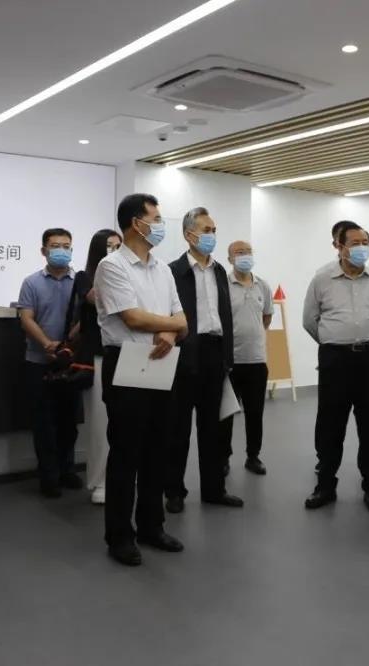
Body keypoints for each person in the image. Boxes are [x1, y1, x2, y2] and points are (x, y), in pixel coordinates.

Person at [95, 193, 187, 566]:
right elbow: (132, 317)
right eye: (156, 218)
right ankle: (120, 535)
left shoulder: (163, 269)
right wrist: (169, 326)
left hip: (163, 361)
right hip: (126, 363)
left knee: (157, 450)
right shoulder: (111, 266)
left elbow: (183, 320)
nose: (161, 225)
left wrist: (170, 333)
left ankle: (152, 526)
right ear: (137, 223)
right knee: (126, 453)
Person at [303, 223, 369, 513]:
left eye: (365, 242)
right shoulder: (322, 280)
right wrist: (334, 342)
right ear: (339, 246)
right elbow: (310, 320)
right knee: (330, 425)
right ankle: (325, 486)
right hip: (335, 361)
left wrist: (365, 339)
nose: (361, 247)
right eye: (354, 243)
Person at [166, 207, 243, 512]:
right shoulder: (172, 271)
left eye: (214, 230)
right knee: (178, 428)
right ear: (189, 235)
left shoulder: (220, 271)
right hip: (183, 353)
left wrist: (228, 358)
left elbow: (225, 317)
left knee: (214, 428)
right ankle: (174, 491)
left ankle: (214, 489)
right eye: (206, 230)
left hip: (215, 353)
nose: (212, 235)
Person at [18, 229, 83, 498]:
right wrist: (47, 344)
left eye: (66, 246)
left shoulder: (81, 282)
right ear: (44, 251)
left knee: (69, 422)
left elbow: (87, 317)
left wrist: (68, 343)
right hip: (38, 361)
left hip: (71, 363)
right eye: (55, 246)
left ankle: (67, 470)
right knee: (44, 423)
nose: (61, 251)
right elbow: (26, 318)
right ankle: (49, 476)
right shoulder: (31, 282)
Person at [74, 229, 122, 505]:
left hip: (126, 353)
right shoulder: (85, 277)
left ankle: (122, 476)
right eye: (109, 246)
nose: (115, 250)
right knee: (100, 424)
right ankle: (100, 480)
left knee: (125, 422)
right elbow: (96, 298)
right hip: (99, 356)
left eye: (119, 246)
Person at [223, 240, 274, 475]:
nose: (244, 256)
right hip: (230, 362)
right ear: (229, 259)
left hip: (256, 361)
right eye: (239, 252)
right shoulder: (223, 285)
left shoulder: (263, 285)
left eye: (248, 252)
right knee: (226, 413)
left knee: (255, 413)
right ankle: (223, 458)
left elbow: (266, 318)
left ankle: (253, 456)